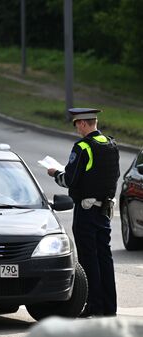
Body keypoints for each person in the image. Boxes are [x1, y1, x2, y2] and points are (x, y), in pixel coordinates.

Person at [47, 108, 120, 317]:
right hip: (104, 210)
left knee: (89, 260)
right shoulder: (111, 144)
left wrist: (55, 173)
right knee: (105, 259)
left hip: (86, 212)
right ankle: (108, 307)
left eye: (76, 124)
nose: (77, 128)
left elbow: (69, 180)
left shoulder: (83, 147)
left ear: (83, 124)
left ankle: (93, 306)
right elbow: (112, 175)